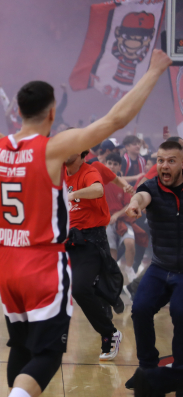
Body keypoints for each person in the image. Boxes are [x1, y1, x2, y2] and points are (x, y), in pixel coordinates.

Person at [0, 49, 171, 397]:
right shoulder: (52, 149)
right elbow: (115, 120)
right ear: (52, 113)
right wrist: (153, 72)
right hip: (42, 263)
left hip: (5, 263)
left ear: (17, 112)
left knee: (20, 347)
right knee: (48, 353)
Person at [125, 140, 183, 395]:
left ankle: (179, 374)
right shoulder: (151, 187)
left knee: (181, 313)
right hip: (159, 268)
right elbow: (141, 195)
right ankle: (147, 370)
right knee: (140, 308)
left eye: (171, 160)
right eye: (160, 160)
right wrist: (135, 204)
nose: (164, 166)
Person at [64, 150, 123, 361]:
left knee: (80, 289)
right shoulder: (59, 172)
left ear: (81, 154)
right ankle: (102, 293)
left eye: (69, 148)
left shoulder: (89, 170)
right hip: (67, 240)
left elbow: (98, 190)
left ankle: (109, 333)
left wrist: (73, 194)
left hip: (91, 240)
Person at [104, 152, 137, 282]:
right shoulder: (98, 180)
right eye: (109, 163)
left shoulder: (124, 184)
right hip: (106, 221)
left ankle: (129, 269)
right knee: (112, 250)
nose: (112, 166)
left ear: (119, 167)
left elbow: (129, 203)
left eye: (115, 164)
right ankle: (114, 276)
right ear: (105, 164)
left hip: (123, 220)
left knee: (130, 243)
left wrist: (118, 214)